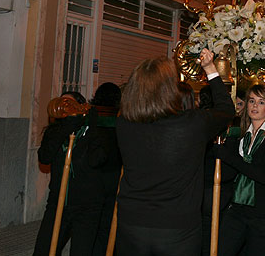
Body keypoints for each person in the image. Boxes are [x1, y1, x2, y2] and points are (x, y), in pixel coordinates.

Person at [115, 50, 234, 256]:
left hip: (131, 221)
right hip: (178, 227)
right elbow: (226, 109)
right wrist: (211, 69)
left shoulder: (124, 122)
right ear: (169, 90)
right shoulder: (192, 124)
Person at [34, 91, 107, 256]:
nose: (66, 109)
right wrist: (65, 129)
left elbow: (98, 159)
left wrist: (93, 128)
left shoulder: (89, 132)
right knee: (44, 250)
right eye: (63, 104)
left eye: (70, 104)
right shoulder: (54, 133)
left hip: (87, 206)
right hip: (58, 202)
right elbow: (45, 157)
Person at [215, 84, 265, 255]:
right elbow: (234, 172)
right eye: (252, 101)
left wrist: (229, 157)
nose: (254, 106)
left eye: (261, 102)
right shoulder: (243, 136)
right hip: (237, 208)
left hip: (263, 214)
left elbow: (262, 175)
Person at [88, 82, 122, 256]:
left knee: (92, 223)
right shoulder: (121, 121)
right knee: (109, 224)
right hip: (114, 177)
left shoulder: (91, 119)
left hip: (94, 177)